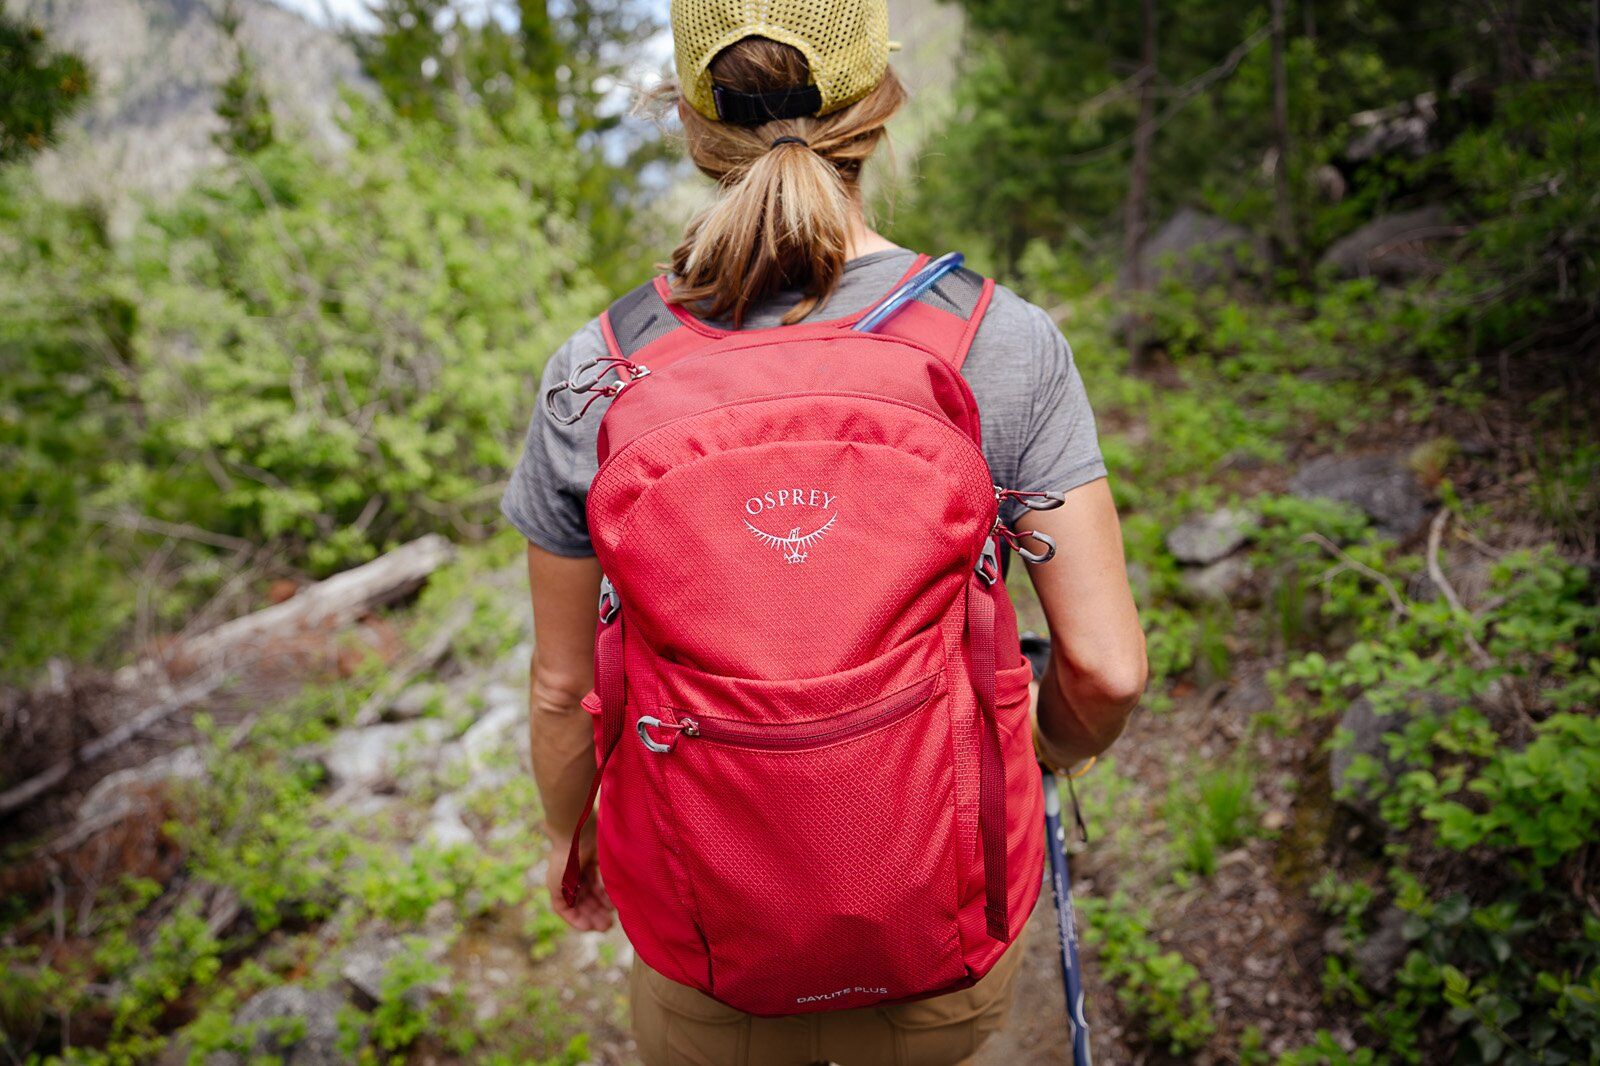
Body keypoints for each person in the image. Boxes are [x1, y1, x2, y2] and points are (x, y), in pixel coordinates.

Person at [501, 1, 1147, 1061]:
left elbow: (563, 692)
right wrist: (1019, 753)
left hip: (711, 955)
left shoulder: (599, 370)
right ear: (877, 108)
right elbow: (1109, 671)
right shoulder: (1002, 341)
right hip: (946, 935)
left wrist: (575, 856)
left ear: (691, 123)